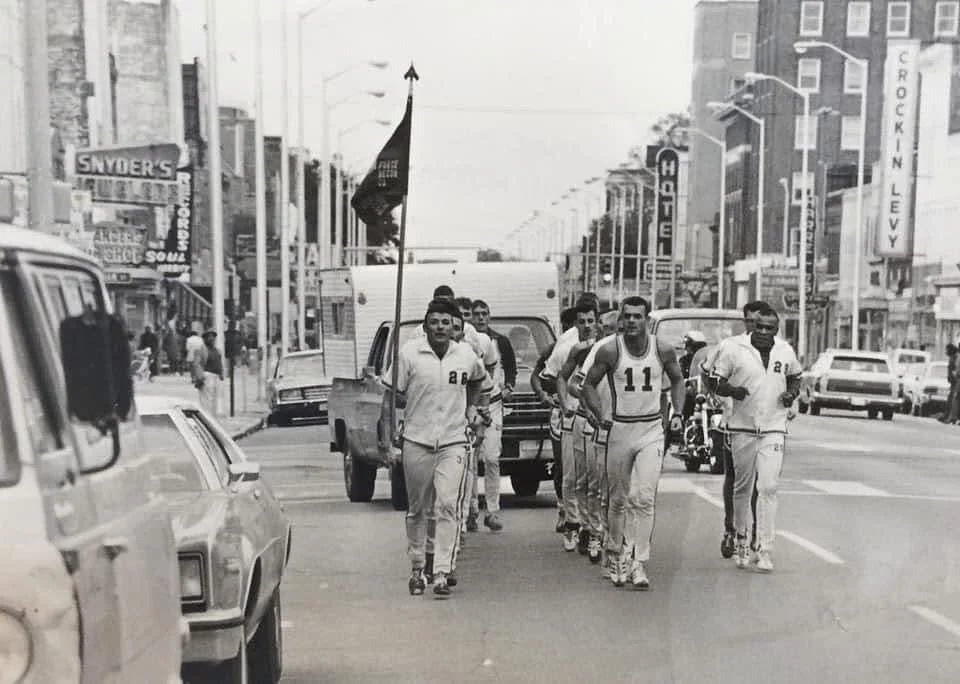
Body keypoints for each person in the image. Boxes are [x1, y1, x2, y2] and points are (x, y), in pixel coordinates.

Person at [379, 299, 491, 597]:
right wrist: (387, 439)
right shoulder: (409, 354)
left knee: (447, 506)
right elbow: (389, 398)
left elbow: (479, 381)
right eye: (434, 322)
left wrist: (471, 409)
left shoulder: (465, 354)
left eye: (445, 322)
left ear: (454, 327)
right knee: (418, 509)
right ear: (426, 326)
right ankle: (418, 566)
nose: (440, 328)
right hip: (417, 440)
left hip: (454, 441)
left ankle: (442, 570)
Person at [581, 296, 686, 590]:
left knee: (644, 497)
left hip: (651, 429)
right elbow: (588, 384)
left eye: (637, 316)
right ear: (620, 319)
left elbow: (678, 381)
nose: (631, 321)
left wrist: (678, 414)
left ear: (647, 320)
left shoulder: (662, 349)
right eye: (626, 316)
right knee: (618, 499)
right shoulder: (609, 350)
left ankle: (638, 561)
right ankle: (616, 553)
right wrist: (599, 413)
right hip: (620, 429)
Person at [710, 304, 802, 573]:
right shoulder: (734, 349)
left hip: (773, 427)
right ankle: (741, 538)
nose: (762, 331)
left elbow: (795, 377)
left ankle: (764, 548)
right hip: (742, 427)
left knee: (769, 487)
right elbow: (716, 380)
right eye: (758, 326)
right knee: (742, 488)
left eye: (769, 328)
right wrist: (732, 391)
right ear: (751, 326)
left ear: (776, 329)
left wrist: (791, 394)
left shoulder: (785, 350)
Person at [703, 300, 766, 559]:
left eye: (759, 322)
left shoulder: (777, 349)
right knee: (735, 477)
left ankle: (757, 532)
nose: (755, 327)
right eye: (750, 321)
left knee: (762, 482)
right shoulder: (731, 347)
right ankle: (731, 529)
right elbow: (708, 374)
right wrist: (721, 396)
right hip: (734, 422)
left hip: (765, 426)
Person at [567, 309, 619, 566]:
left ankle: (614, 538)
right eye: (608, 329)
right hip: (595, 424)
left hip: (625, 427)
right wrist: (589, 408)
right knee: (592, 483)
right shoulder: (595, 350)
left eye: (616, 329)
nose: (614, 334)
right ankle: (592, 530)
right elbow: (574, 384)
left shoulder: (639, 352)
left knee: (618, 488)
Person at [548, 302, 599, 552]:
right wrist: (564, 403)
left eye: (591, 321)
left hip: (596, 417)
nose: (587, 326)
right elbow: (559, 377)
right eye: (582, 322)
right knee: (571, 476)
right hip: (573, 416)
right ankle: (572, 522)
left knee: (593, 477)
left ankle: (590, 528)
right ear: (575, 324)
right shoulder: (572, 348)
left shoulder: (605, 347)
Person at [532, 306, 578, 533]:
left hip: (589, 415)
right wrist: (545, 394)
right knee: (562, 464)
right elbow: (538, 376)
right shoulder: (557, 348)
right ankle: (563, 508)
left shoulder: (603, 347)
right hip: (563, 414)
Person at [472, 299, 518, 401]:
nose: (481, 318)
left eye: (484, 314)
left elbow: (510, 367)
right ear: (471, 317)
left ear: (489, 317)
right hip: (470, 399)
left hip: (494, 399)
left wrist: (508, 386)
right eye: (476, 314)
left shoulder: (500, 341)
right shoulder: (465, 341)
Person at [193, 330, 225, 416]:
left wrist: (221, 373)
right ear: (204, 339)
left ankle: (213, 417)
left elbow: (220, 362)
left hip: (216, 377)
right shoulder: (201, 350)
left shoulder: (217, 350)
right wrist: (200, 377)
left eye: (213, 337)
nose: (211, 339)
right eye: (209, 337)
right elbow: (197, 364)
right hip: (207, 376)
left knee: (215, 399)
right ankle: (206, 416)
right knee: (206, 400)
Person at [942, 343, 960, 424]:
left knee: (954, 399)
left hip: (956, 381)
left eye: (947, 350)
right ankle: (949, 416)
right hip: (954, 381)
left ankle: (951, 417)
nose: (946, 352)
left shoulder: (956, 357)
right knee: (953, 399)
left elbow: (956, 369)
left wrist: (954, 376)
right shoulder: (955, 357)